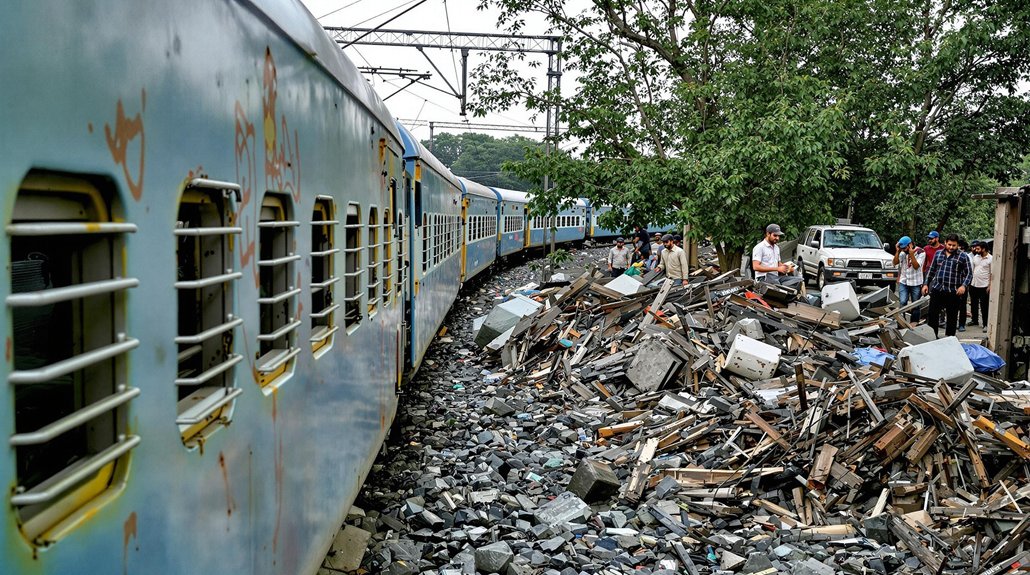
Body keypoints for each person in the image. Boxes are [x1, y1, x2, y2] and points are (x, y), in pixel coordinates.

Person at [921, 233, 972, 338]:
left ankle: (949, 339)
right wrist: (926, 284)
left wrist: (963, 286)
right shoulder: (938, 254)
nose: (951, 247)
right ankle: (933, 337)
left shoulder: (963, 256)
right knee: (932, 315)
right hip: (938, 288)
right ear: (945, 243)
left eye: (954, 245)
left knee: (952, 317)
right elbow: (932, 270)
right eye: (949, 245)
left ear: (957, 245)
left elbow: (969, 274)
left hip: (953, 291)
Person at [751, 224, 802, 288]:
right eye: (775, 235)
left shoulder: (776, 248)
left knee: (799, 280)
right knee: (779, 286)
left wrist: (787, 268)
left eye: (778, 236)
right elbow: (755, 267)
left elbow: (778, 264)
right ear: (768, 234)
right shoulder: (759, 247)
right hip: (763, 278)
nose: (777, 238)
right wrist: (777, 269)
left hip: (776, 278)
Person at [893, 236, 925, 323]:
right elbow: (895, 262)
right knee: (902, 302)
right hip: (904, 281)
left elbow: (916, 266)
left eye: (905, 248)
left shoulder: (920, 252)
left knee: (915, 304)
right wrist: (898, 251)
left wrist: (911, 254)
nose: (903, 250)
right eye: (902, 248)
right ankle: (902, 323)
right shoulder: (902, 252)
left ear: (910, 245)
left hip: (916, 282)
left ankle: (914, 323)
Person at [969, 241, 992, 327]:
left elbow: (992, 273)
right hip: (974, 284)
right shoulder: (976, 257)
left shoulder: (991, 259)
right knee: (973, 304)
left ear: (984, 249)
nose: (976, 250)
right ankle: (974, 320)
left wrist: (990, 285)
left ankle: (985, 324)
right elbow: (973, 269)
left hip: (984, 285)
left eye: (978, 249)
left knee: (984, 306)